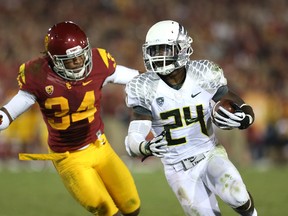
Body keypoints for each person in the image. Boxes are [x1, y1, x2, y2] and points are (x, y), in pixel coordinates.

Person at [0, 21, 141, 216]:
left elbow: (131, 77)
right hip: (70, 158)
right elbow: (13, 109)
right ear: (53, 60)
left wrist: (154, 80)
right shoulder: (38, 75)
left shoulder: (99, 62)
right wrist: (3, 117)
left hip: (101, 146)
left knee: (132, 206)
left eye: (81, 56)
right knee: (107, 211)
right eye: (71, 60)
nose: (79, 62)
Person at [125, 20, 257, 216]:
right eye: (155, 50)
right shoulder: (144, 86)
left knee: (236, 194)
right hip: (178, 169)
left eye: (165, 50)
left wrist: (246, 117)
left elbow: (236, 102)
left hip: (210, 153)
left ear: (182, 48)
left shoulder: (202, 73)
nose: (159, 56)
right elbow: (133, 137)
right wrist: (145, 146)